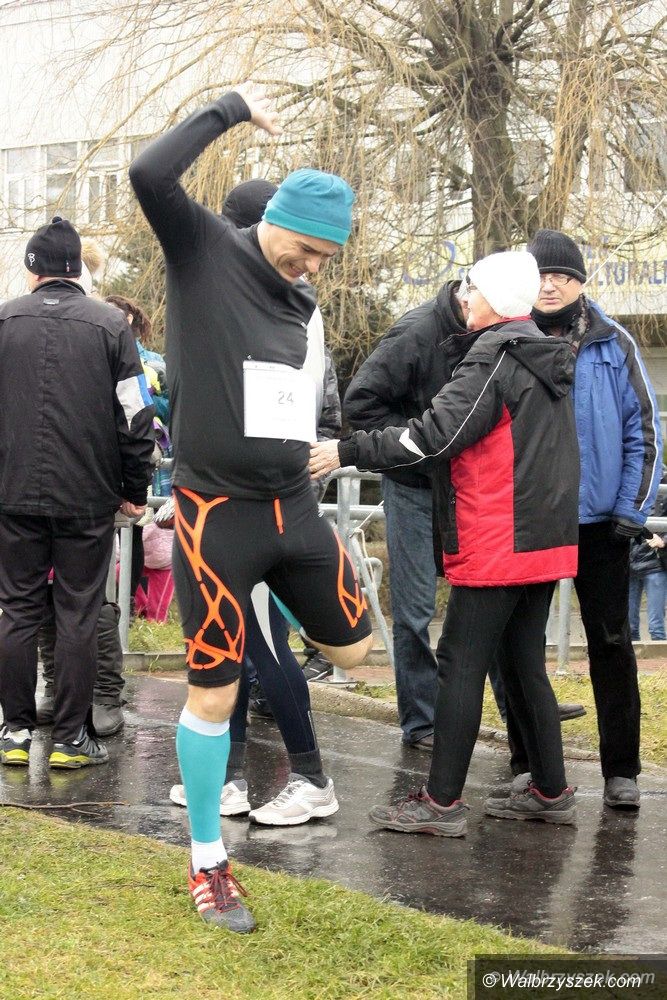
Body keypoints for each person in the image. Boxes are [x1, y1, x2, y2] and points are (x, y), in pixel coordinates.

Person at [129, 83, 372, 933]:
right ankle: (208, 863)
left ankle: (273, 619)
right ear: (274, 223)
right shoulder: (202, 249)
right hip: (216, 519)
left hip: (293, 509)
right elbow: (148, 173)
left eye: (324, 259)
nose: (312, 268)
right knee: (213, 694)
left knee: (355, 647)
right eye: (305, 250)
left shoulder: (300, 297)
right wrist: (231, 108)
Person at [310, 250, 580, 835]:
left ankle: (441, 803)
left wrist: (347, 450)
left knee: (459, 662)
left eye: (472, 288)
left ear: (496, 301)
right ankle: (549, 789)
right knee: (523, 662)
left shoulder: (494, 358)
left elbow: (434, 437)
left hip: (498, 535)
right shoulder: (542, 353)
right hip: (542, 537)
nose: (464, 296)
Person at [344, 280, 585, 748]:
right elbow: (361, 402)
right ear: (474, 297)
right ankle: (423, 721)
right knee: (416, 610)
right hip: (417, 484)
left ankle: (518, 722)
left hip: (468, 488)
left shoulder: (503, 337)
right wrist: (424, 446)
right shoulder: (417, 332)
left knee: (488, 611)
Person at [169, 178, 342, 825]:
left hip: (275, 496)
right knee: (232, 648)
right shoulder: (244, 294)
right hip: (239, 494)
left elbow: (305, 402)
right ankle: (231, 777)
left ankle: (311, 777)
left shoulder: (292, 300)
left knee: (266, 644)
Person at [504, 229, 663, 810]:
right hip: (533, 519)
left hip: (601, 525)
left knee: (611, 644)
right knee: (520, 645)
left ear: (579, 283)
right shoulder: (508, 338)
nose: (550, 286)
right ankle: (528, 762)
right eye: (541, 276)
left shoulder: (614, 342)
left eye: (562, 276)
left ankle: (622, 770)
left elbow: (643, 432)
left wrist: (630, 510)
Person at [0, 217, 154, 769]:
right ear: (77, 271)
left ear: (32, 269)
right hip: (87, 497)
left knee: (16, 609)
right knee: (78, 612)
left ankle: (15, 732)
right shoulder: (112, 325)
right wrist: (135, 488)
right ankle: (69, 737)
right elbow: (136, 415)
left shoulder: (4, 320)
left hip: (13, 493)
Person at [629, 492, 667, 641]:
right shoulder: (624, 487)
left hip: (655, 562)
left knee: (656, 626)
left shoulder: (661, 488)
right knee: (629, 626)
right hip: (629, 562)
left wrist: (664, 540)